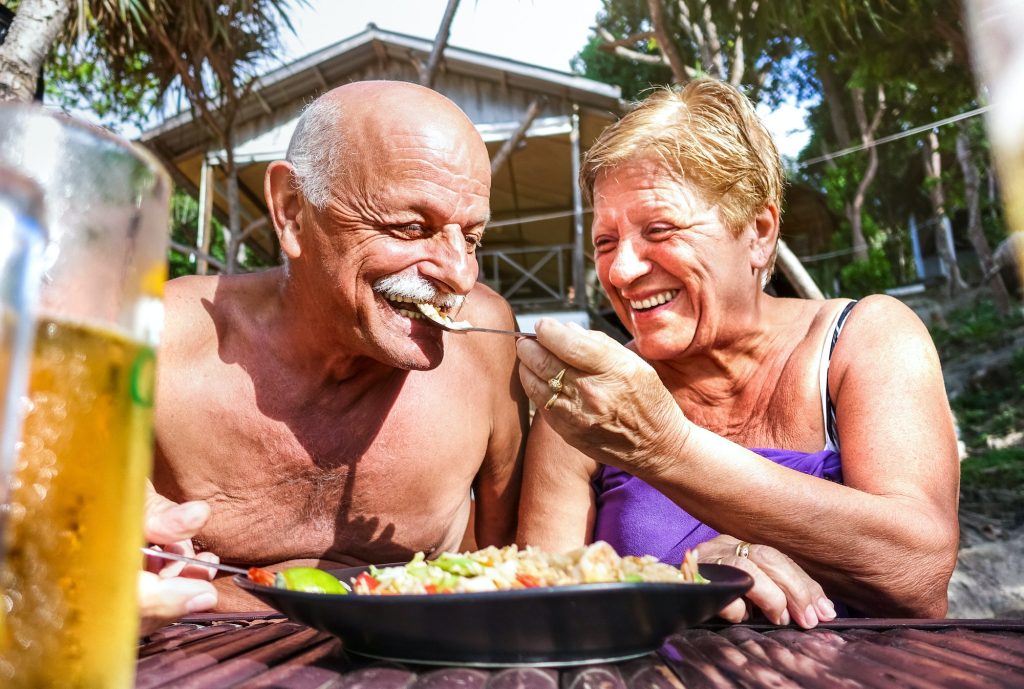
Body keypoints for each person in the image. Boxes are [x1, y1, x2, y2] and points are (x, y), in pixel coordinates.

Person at [515, 78, 960, 628]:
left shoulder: (862, 340)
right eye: (605, 242)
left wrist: (666, 449)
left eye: (660, 229)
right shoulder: (587, 397)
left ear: (758, 231)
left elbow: (917, 576)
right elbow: (542, 609)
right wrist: (676, 584)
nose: (622, 271)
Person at [150, 80, 528, 611]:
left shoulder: (487, 345)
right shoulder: (157, 343)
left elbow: (517, 567)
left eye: (471, 239)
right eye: (411, 227)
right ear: (293, 210)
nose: (460, 276)